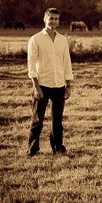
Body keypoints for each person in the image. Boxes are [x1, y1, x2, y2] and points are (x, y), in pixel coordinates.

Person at [27, 8, 74, 157]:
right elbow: (31, 64)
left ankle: (58, 148)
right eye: (51, 18)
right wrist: (36, 86)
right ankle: (33, 150)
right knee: (37, 120)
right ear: (45, 19)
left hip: (59, 85)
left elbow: (67, 62)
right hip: (42, 85)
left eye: (56, 19)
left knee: (57, 121)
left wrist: (68, 85)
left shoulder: (62, 39)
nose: (53, 21)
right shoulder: (35, 39)